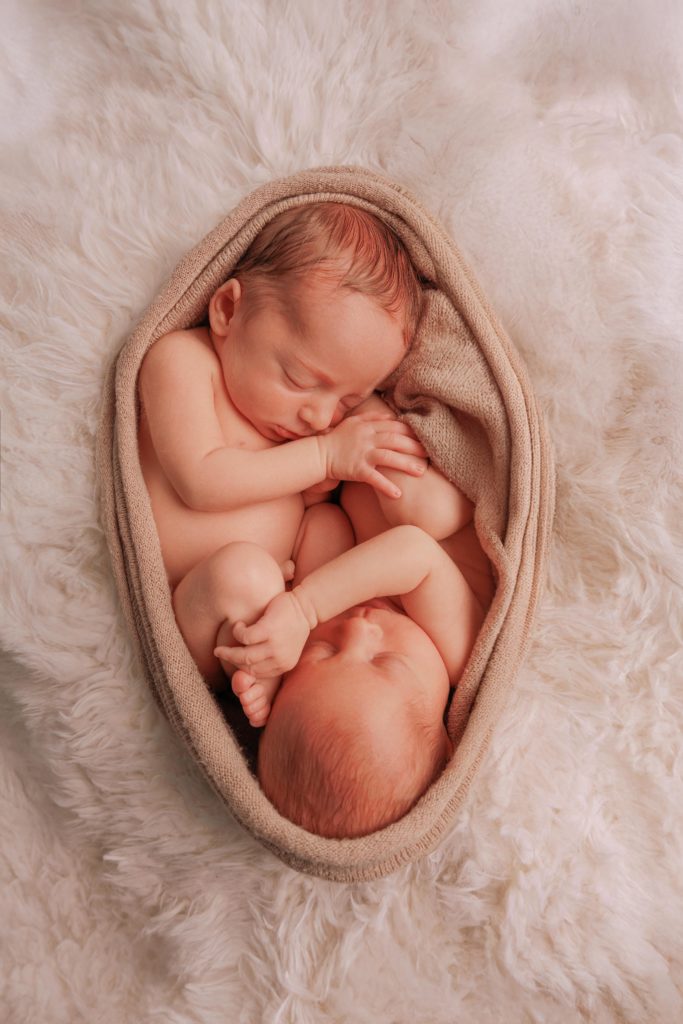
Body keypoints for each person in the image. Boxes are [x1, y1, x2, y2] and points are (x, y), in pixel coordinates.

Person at [138, 202, 427, 696]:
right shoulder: (181, 361)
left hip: (286, 600)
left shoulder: (305, 427)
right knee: (244, 572)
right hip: (199, 601)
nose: (320, 417)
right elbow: (201, 481)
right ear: (228, 310)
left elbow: (298, 500)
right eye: (299, 379)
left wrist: (321, 489)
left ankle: (303, 662)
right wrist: (323, 457)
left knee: (329, 526)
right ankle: (264, 667)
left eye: (347, 400)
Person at [215, 398, 494, 838]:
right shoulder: (460, 651)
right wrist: (306, 607)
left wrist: (268, 653)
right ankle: (364, 407)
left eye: (324, 653)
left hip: (356, 458)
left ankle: (346, 406)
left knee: (322, 527)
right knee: (423, 510)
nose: (358, 629)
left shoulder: (342, 616)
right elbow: (414, 552)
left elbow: (324, 521)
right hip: (423, 477)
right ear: (444, 737)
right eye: (387, 662)